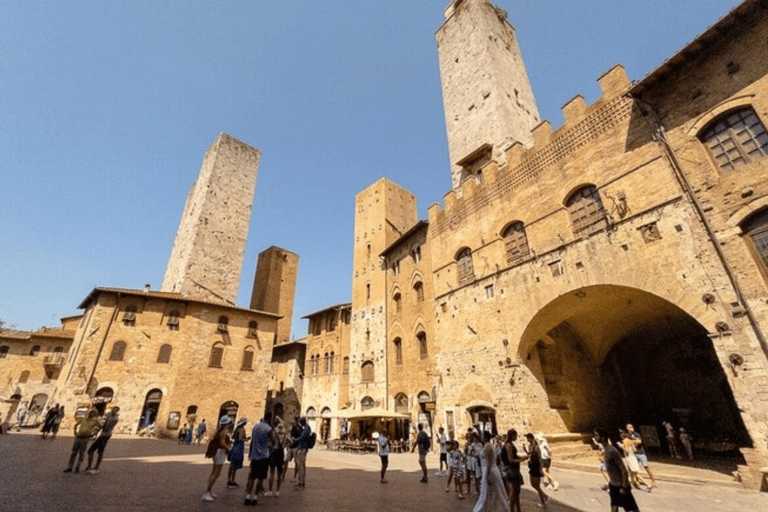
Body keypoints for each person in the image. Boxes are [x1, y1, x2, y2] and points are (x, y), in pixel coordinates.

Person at [595, 429, 641, 512]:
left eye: (597, 435)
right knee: (614, 508)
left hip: (621, 485)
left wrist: (624, 487)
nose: (595, 437)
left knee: (632, 509)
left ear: (603, 437)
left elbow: (624, 470)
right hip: (613, 485)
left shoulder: (612, 451)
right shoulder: (606, 450)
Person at [472, 430, 510, 512]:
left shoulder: (488, 446)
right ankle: (490, 509)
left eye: (482, 436)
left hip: (490, 470)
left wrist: (488, 475)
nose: (480, 437)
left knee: (491, 492)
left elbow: (489, 461)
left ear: (485, 437)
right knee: (490, 492)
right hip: (488, 470)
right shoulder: (487, 445)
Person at [244, 413, 273, 506]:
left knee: (252, 476)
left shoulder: (255, 427)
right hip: (264, 456)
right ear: (270, 418)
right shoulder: (269, 429)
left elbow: (252, 441)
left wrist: (250, 454)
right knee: (260, 478)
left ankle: (248, 496)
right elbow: (273, 441)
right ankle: (255, 497)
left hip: (254, 455)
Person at [202, 415, 233, 502]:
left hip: (218, 452)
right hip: (220, 452)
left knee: (214, 472)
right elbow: (222, 443)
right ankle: (207, 492)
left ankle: (209, 491)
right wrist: (229, 448)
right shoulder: (223, 432)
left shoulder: (219, 430)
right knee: (216, 473)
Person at [64, 409, 102, 473]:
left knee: (81, 453)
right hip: (78, 437)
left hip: (85, 438)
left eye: (93, 412)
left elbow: (100, 427)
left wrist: (94, 433)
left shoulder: (95, 420)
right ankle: (70, 467)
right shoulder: (84, 418)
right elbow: (76, 425)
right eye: (91, 411)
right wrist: (75, 433)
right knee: (73, 453)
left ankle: (77, 467)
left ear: (95, 414)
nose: (91, 413)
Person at [84, 406, 120, 474]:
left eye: (114, 410)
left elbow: (106, 427)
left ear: (116, 411)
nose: (113, 411)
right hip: (102, 435)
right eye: (112, 409)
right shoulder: (110, 416)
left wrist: (102, 423)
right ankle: (91, 466)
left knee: (94, 451)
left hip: (104, 436)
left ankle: (95, 467)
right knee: (93, 451)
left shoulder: (115, 419)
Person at [502, 429, 526, 512]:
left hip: (514, 470)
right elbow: (511, 460)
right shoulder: (508, 445)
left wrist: (522, 457)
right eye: (515, 435)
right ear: (512, 435)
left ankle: (518, 509)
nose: (516, 437)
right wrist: (521, 460)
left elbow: (514, 456)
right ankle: (512, 509)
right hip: (512, 470)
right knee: (514, 493)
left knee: (517, 492)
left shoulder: (510, 444)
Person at [626, 424, 655, 488]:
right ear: (627, 429)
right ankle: (637, 481)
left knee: (646, 467)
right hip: (634, 454)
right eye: (629, 427)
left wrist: (633, 440)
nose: (631, 428)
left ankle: (653, 481)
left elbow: (639, 441)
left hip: (641, 453)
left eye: (631, 427)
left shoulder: (636, 434)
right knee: (635, 468)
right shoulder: (627, 436)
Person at [524, 432, 548, 507]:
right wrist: (525, 450)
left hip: (536, 467)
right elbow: (530, 455)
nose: (527, 440)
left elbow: (540, 458)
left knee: (536, 485)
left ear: (531, 438)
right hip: (532, 466)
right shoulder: (530, 446)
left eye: (528, 438)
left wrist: (541, 468)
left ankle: (543, 499)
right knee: (533, 484)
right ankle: (544, 496)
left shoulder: (536, 447)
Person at [265, 417, 285, 496]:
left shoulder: (274, 432)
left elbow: (270, 443)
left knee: (272, 472)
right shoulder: (284, 433)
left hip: (274, 452)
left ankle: (270, 490)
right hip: (281, 453)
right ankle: (277, 491)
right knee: (279, 473)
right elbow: (290, 441)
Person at [226, 417, 249, 489]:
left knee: (232, 466)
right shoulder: (241, 429)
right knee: (234, 466)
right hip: (238, 448)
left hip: (235, 447)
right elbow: (240, 439)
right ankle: (231, 481)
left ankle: (229, 480)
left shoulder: (236, 429)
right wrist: (247, 439)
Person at [294, 417, 312, 489]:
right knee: (302, 466)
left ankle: (300, 483)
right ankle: (301, 482)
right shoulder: (307, 428)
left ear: (302, 422)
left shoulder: (306, 429)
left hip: (302, 449)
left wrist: (295, 439)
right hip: (303, 448)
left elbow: (302, 437)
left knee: (300, 466)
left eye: (300, 421)